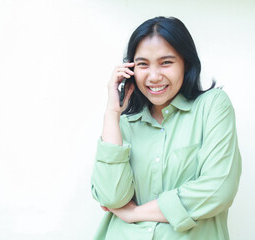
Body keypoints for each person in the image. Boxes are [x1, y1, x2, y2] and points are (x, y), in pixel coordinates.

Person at [91, 16, 241, 239]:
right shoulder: (123, 124)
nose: (153, 77)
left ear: (186, 64)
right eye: (143, 64)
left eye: (166, 62)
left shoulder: (212, 107)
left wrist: (135, 213)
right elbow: (111, 198)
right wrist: (112, 113)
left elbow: (218, 190)